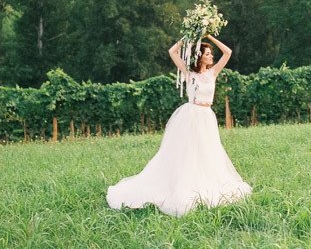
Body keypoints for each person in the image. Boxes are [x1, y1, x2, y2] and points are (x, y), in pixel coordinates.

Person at [106, 34, 252, 217]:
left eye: (210, 54)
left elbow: (228, 52)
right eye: (207, 54)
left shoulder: (212, 73)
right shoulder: (188, 73)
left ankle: (204, 183)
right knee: (187, 153)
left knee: (207, 152)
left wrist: (209, 37)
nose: (211, 56)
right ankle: (182, 184)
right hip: (191, 116)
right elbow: (172, 51)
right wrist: (188, 36)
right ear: (199, 56)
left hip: (207, 117)